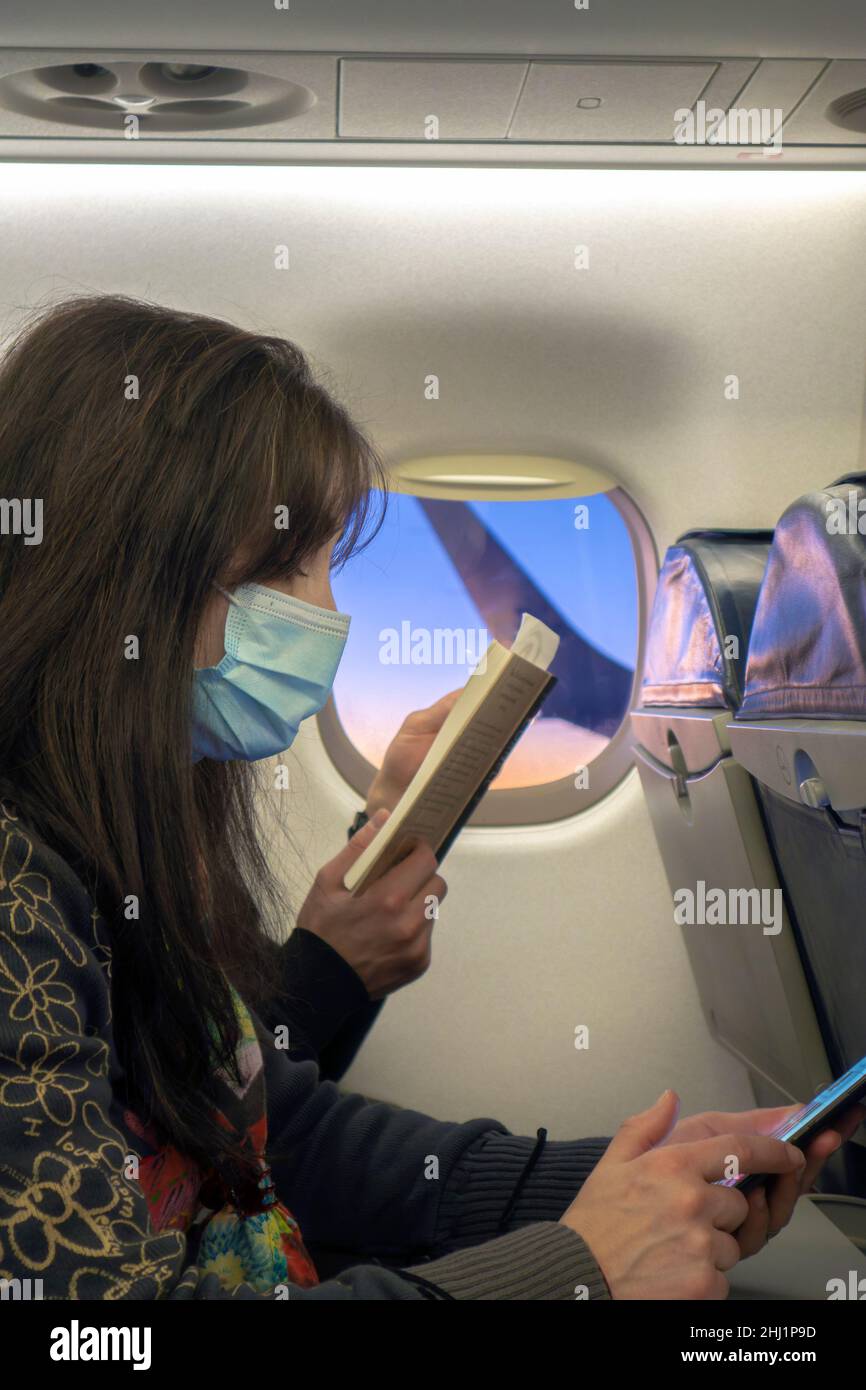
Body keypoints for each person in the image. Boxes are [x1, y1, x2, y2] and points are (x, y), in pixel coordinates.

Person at [0, 295, 857, 1302]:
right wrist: (579, 1262)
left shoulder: (123, 844)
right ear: (127, 577)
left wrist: (632, 1186)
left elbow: (280, 1132)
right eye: (285, 565)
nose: (326, 612)